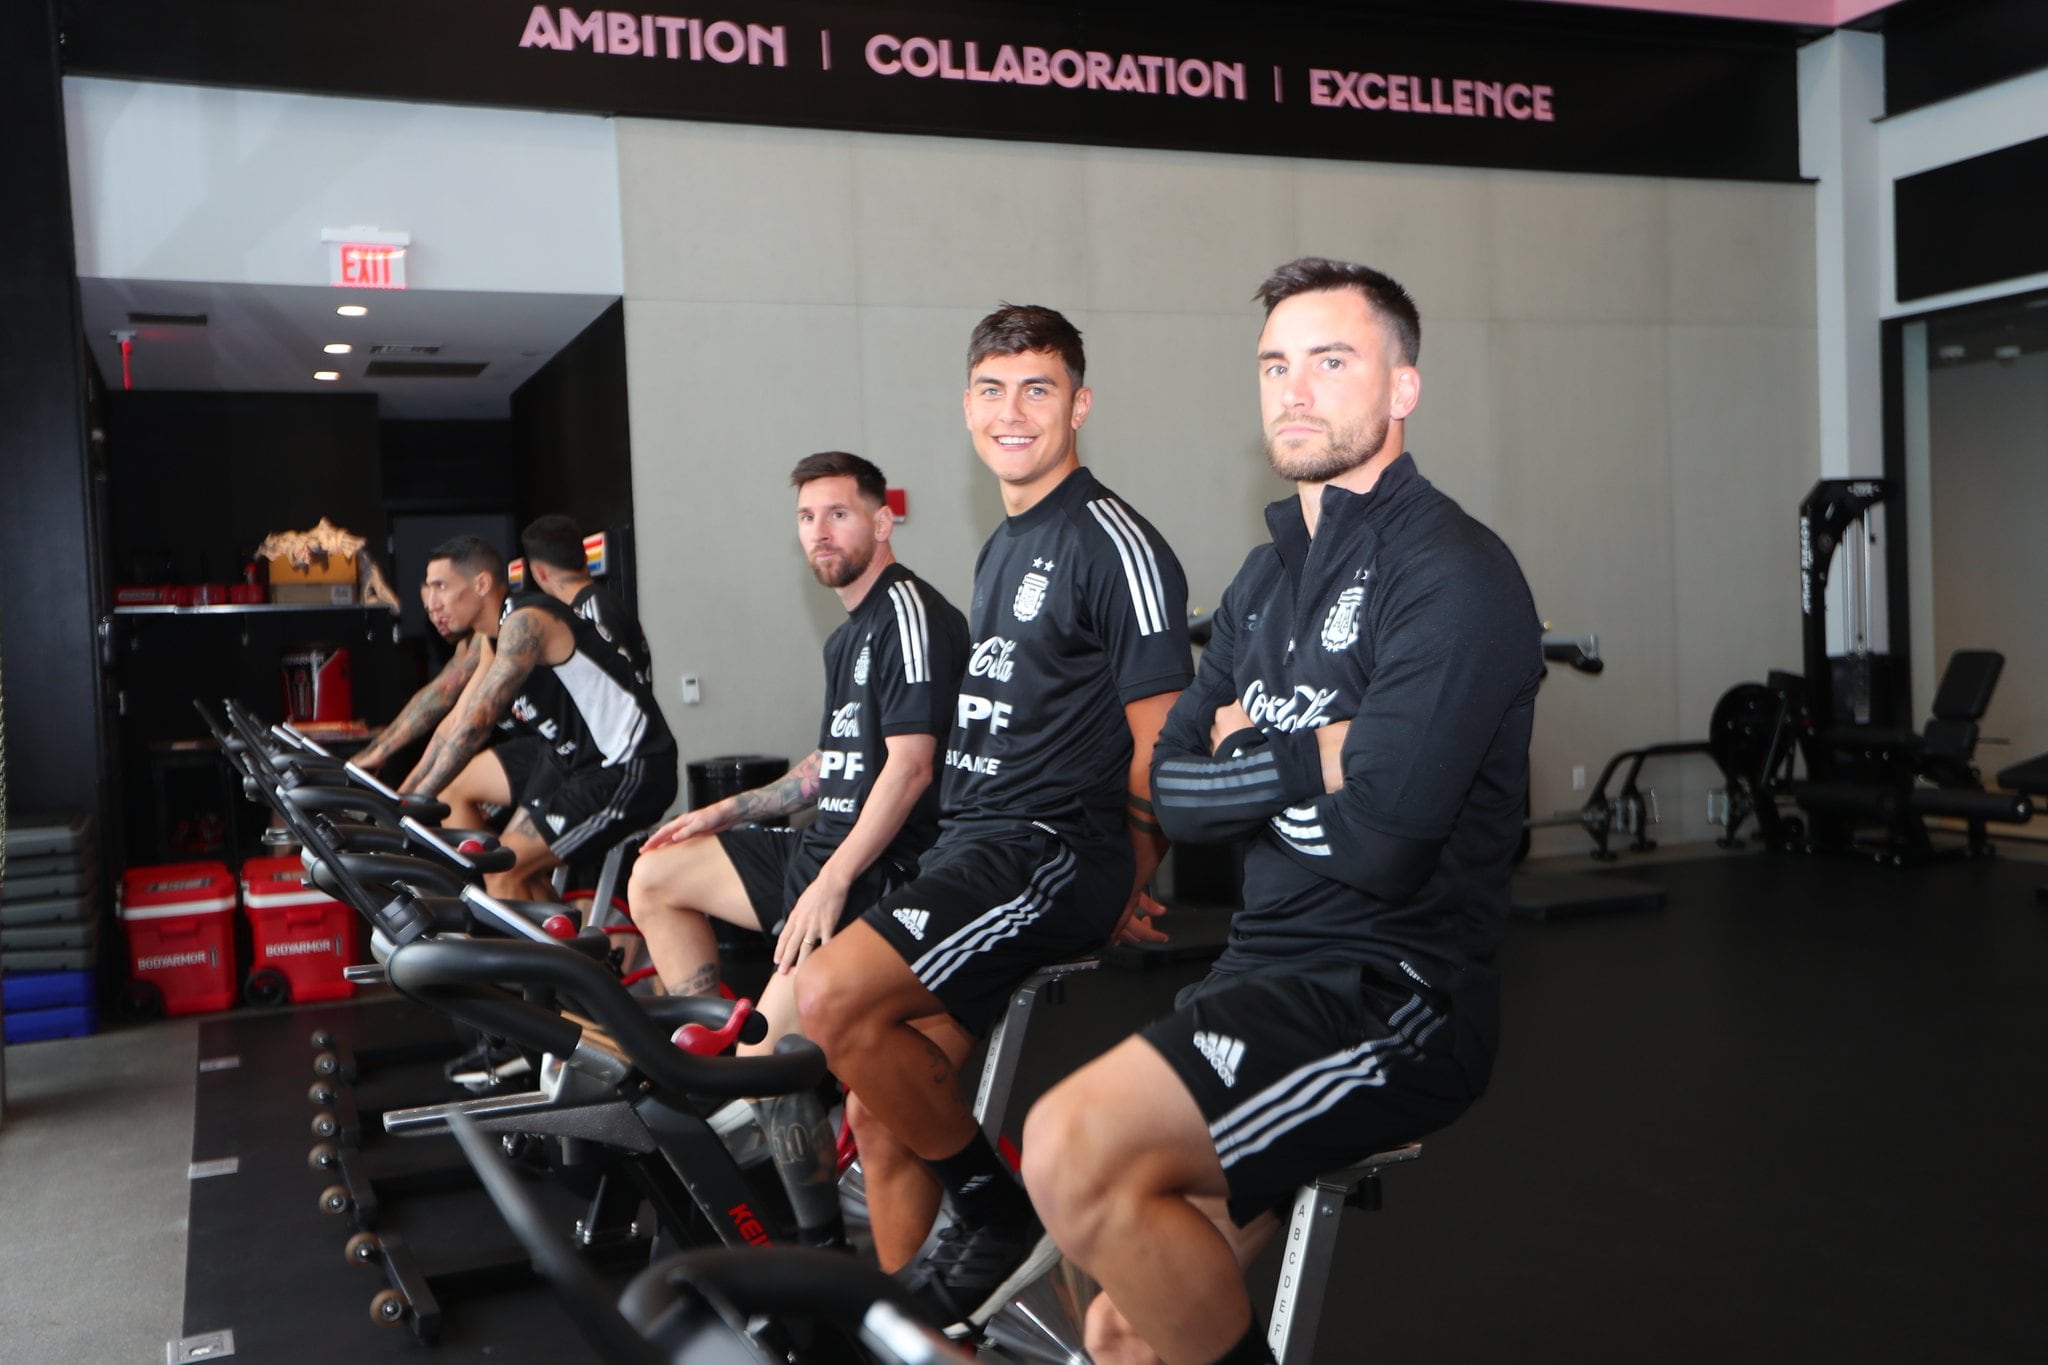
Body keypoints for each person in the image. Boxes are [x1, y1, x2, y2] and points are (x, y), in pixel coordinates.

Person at [1017, 258, 1544, 1365]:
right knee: (1120, 1326)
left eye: (1331, 361)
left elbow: (1388, 840)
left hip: (1387, 999)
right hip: (1255, 974)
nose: (1293, 390)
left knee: (1068, 1146)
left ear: (1402, 388)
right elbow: (1165, 791)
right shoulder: (1263, 581)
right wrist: (1322, 754)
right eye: (1273, 365)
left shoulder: (1454, 574)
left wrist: (1247, 763)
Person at [794, 303, 1193, 1327]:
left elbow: (1161, 744)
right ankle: (915, 1335)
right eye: (990, 390)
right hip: (978, 848)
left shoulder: (1116, 543)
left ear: (1078, 404)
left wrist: (1129, 878)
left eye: (1036, 389)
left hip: (1050, 849)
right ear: (966, 406)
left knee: (827, 996)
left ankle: (991, 1205)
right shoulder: (1002, 544)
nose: (1010, 411)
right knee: (881, 1118)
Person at [625, 450, 968, 1249]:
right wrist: (721, 810)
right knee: (657, 873)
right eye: (807, 518)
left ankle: (816, 1235)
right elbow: (831, 767)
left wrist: (834, 880)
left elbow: (912, 767)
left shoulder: (909, 614)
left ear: (882, 522)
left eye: (839, 513)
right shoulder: (847, 635)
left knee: (771, 1060)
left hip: (877, 878)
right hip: (818, 861)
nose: (821, 531)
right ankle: (716, 1050)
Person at [398, 532, 680, 902]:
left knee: (502, 868)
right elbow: (454, 722)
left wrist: (415, 803)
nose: (433, 602)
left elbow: (478, 721)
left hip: (630, 767)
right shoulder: (493, 637)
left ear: (481, 583)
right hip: (577, 767)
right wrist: (400, 797)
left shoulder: (526, 621)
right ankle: (572, 952)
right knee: (502, 867)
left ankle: (546, 955)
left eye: (441, 586)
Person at [350, 534, 505, 774]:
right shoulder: (470, 641)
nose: (435, 611)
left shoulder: (493, 632)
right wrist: (377, 747)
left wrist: (380, 752)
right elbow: (431, 697)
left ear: (480, 585)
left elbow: (442, 695)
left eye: (441, 595)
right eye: (429, 607)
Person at [519, 514, 655, 681]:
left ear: (539, 573)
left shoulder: (591, 613)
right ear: (585, 558)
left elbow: (612, 690)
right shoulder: (600, 604)